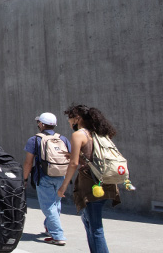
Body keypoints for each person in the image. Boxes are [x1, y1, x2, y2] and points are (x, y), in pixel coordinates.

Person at [57, 105, 121, 253]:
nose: (68, 121)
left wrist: (63, 186)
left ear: (77, 118)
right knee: (89, 223)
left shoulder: (79, 135)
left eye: (70, 117)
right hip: (106, 182)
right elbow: (93, 158)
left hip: (91, 185)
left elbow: (73, 164)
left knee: (95, 228)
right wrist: (77, 156)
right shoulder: (100, 133)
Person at [23, 112, 70, 246]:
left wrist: (25, 179)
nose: (38, 124)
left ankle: (58, 235)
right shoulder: (63, 139)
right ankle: (49, 228)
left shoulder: (35, 140)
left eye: (39, 122)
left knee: (48, 207)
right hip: (61, 175)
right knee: (56, 204)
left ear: (42, 124)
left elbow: (28, 162)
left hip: (44, 177)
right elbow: (70, 157)